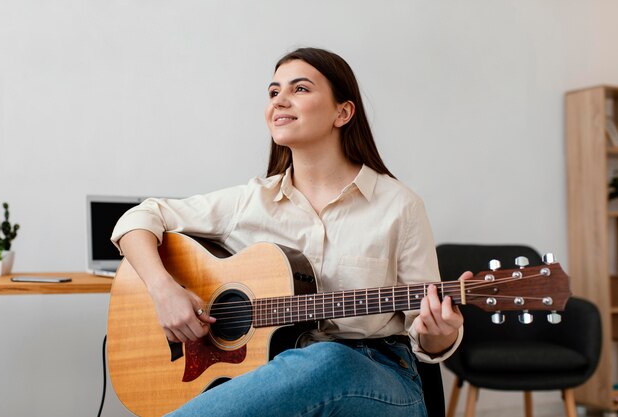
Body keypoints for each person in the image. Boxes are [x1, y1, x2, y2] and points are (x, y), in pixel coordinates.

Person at [111, 47, 467, 417]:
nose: (280, 100)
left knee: (329, 358)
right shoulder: (250, 202)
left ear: (342, 112)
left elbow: (425, 335)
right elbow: (139, 217)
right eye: (273, 92)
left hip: (383, 376)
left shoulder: (399, 206)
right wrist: (164, 289)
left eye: (299, 89)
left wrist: (438, 331)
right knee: (311, 361)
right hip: (277, 373)